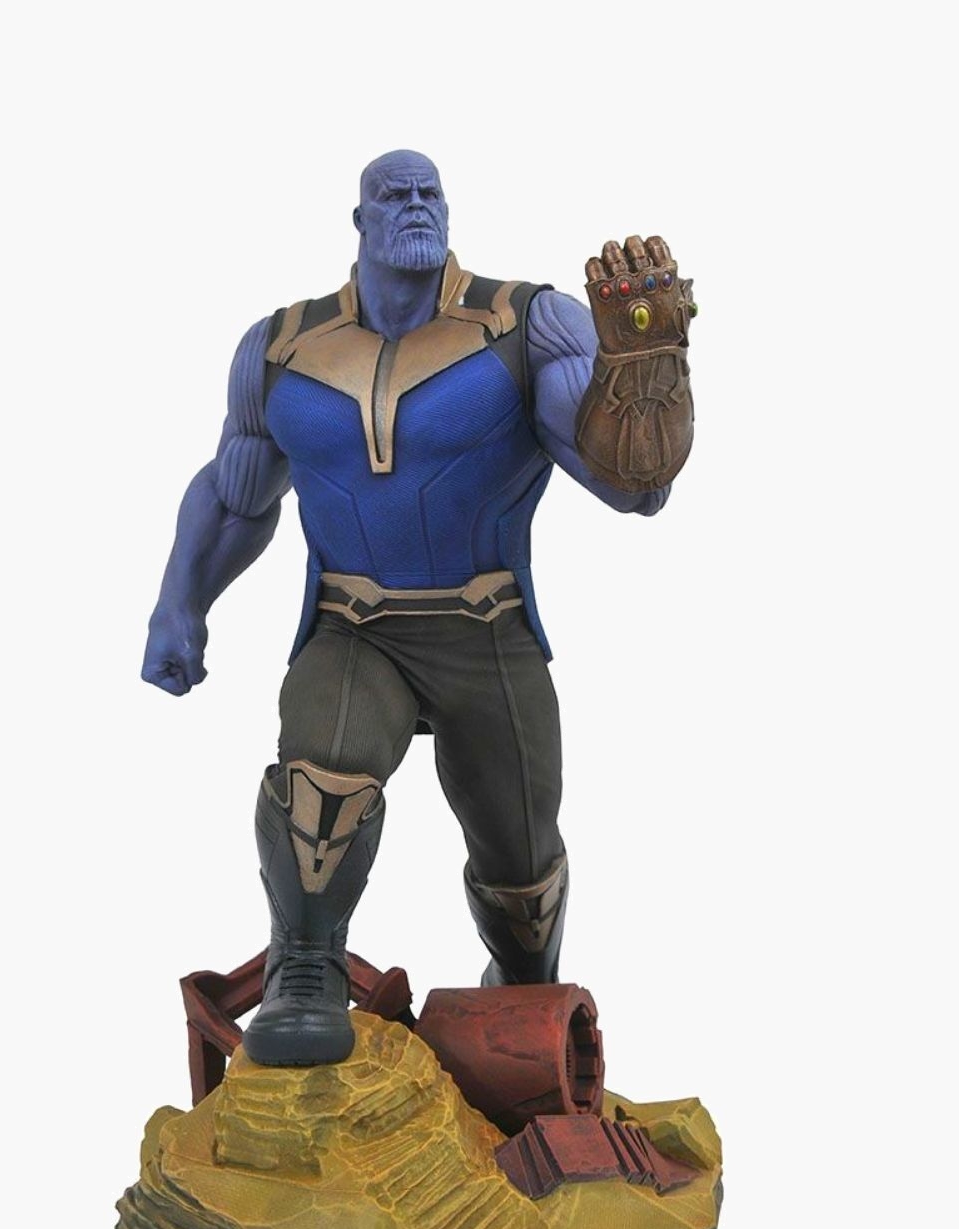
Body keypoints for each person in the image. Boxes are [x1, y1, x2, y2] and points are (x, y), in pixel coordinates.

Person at [142, 150, 696, 1066]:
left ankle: (525, 990)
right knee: (320, 776)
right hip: (355, 624)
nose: (413, 206)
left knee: (522, 863)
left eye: (428, 192)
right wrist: (180, 603)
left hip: (487, 623)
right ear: (359, 220)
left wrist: (643, 378)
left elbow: (633, 487)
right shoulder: (282, 348)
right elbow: (237, 496)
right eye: (392, 195)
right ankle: (304, 968)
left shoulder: (526, 324)